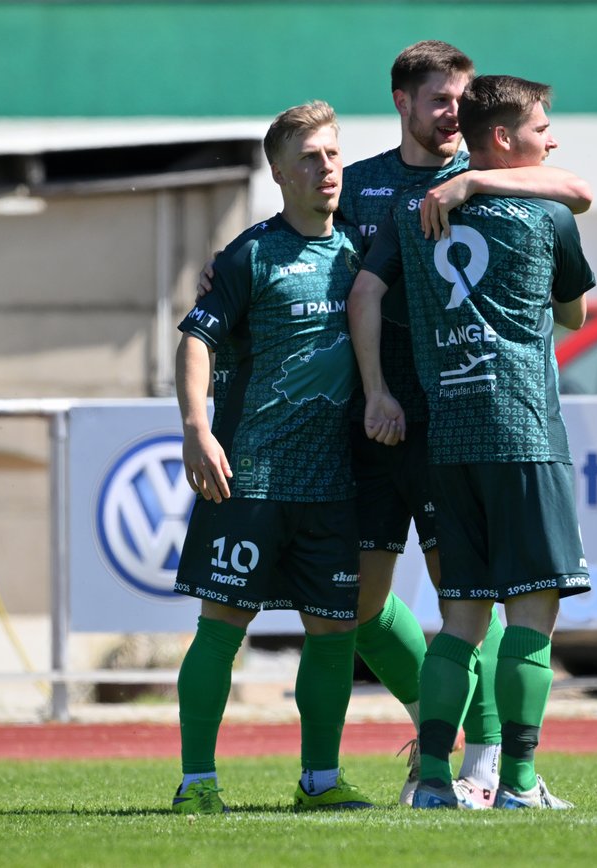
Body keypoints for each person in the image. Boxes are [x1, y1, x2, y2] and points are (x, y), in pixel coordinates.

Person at [196, 40, 592, 810]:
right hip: (371, 428)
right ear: (402, 102)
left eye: (463, 100)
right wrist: (232, 262)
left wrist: (473, 178)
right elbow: (309, 240)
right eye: (440, 99)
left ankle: (481, 760)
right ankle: (437, 744)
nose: (453, 113)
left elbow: (573, 189)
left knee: (466, 601)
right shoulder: (364, 184)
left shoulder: (491, 173)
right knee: (363, 606)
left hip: (453, 422)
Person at [348, 74, 595, 810]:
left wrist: (377, 389)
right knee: (532, 619)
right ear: (504, 139)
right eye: (542, 129)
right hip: (524, 433)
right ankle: (516, 782)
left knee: (459, 621)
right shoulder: (547, 215)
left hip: (448, 439)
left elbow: (365, 292)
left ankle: (432, 781)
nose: (552, 140)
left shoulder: (412, 209)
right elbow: (575, 315)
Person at [171, 100, 379, 815]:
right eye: (310, 159)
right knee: (221, 628)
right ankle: (197, 783)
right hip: (251, 479)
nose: (327, 169)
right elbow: (196, 339)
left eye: (333, 154)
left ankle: (319, 781)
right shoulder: (250, 255)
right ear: (279, 173)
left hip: (331, 485)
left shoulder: (360, 248)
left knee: (334, 634)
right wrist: (197, 428)